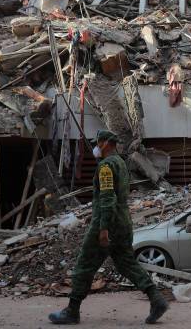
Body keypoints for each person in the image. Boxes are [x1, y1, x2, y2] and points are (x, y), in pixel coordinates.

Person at [49, 130, 168, 325]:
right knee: (126, 263)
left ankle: (72, 311)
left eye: (98, 142)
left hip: (107, 222)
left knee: (84, 265)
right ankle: (157, 299)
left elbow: (107, 197)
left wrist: (103, 229)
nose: (96, 146)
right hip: (123, 221)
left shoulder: (106, 166)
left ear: (105, 143)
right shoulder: (121, 163)